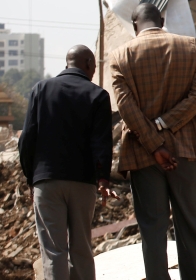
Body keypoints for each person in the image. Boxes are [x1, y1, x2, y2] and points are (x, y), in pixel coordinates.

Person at [109, 3, 196, 280]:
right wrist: (166, 122)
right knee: (191, 226)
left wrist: (155, 144)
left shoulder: (120, 56)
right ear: (162, 20)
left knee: (152, 230)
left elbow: (127, 109)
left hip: (144, 155)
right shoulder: (190, 47)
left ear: (134, 25)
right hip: (188, 150)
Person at [19, 45, 115, 280]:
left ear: (66, 64)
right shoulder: (98, 95)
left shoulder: (40, 90)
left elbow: (27, 138)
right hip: (83, 183)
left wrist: (32, 179)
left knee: (53, 251)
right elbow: (102, 142)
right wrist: (103, 178)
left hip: (47, 181)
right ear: (89, 65)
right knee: (81, 248)